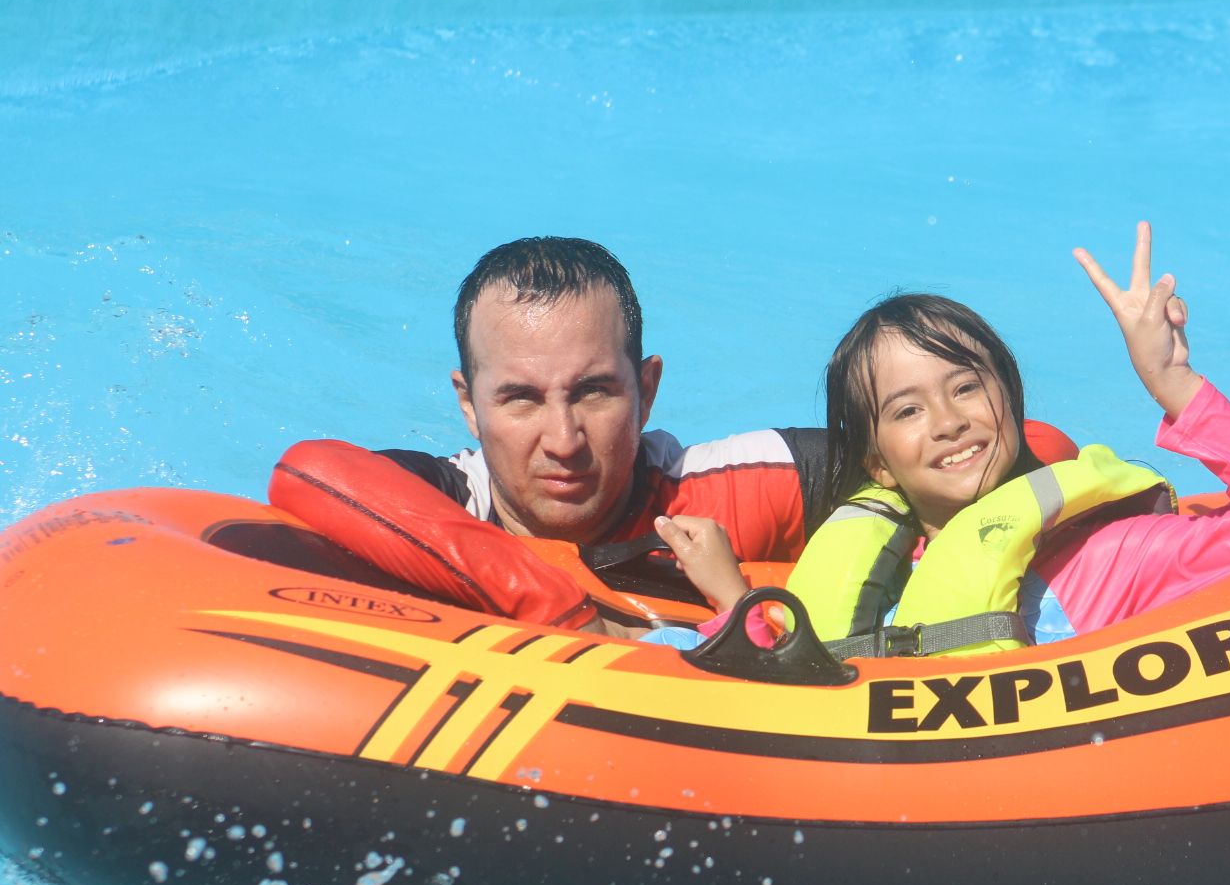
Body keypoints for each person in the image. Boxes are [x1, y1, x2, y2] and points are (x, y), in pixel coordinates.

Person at [662, 222, 1230, 655]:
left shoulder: (1109, 558)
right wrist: (735, 600)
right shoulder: (871, 572)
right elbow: (782, 694)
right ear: (878, 464)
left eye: (965, 388)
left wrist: (1171, 382)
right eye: (907, 410)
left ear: (1011, 404)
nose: (947, 421)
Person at [268, 237, 834, 632]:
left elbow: (886, 449)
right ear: (468, 405)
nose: (563, 442)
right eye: (521, 398)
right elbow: (307, 470)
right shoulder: (451, 502)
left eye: (594, 392)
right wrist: (542, 597)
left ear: (646, 391)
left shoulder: (714, 491)